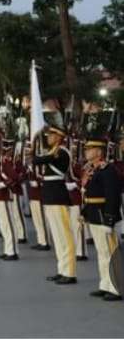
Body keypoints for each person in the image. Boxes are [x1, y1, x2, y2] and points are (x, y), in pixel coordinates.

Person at [33, 125, 77, 285]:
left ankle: (70, 272)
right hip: (51, 197)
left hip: (58, 196)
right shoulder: (53, 151)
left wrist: (34, 139)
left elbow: (37, 160)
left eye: (51, 135)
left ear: (59, 137)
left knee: (64, 236)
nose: (48, 138)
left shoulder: (62, 152)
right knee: (57, 237)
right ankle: (62, 270)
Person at [81, 137, 121, 301]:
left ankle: (116, 288)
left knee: (111, 253)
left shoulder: (108, 170)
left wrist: (109, 220)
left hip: (104, 215)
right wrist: (84, 213)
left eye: (90, 149)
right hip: (94, 214)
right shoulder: (93, 169)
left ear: (99, 151)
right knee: (102, 252)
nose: (87, 151)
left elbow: (112, 196)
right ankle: (105, 284)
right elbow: (89, 194)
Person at [0, 139, 20, 260]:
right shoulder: (0, 163)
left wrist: (3, 184)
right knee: (3, 224)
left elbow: (15, 178)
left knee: (8, 224)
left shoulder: (6, 163)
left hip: (4, 195)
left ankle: (12, 251)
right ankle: (7, 249)